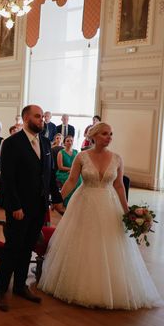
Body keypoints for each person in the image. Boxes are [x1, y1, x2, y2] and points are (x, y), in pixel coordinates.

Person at [38, 122, 162, 309]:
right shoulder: (82, 156)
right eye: (104, 133)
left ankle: (111, 288)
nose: (109, 137)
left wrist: (127, 210)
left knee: (110, 244)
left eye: (111, 134)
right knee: (84, 242)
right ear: (93, 136)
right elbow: (72, 181)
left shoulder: (117, 159)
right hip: (84, 201)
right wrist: (56, 201)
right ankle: (79, 283)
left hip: (109, 204)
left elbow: (119, 186)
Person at [0, 104, 64, 312]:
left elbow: (49, 175)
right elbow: (7, 178)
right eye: (37, 116)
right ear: (26, 119)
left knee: (27, 248)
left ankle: (19, 286)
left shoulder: (44, 142)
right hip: (19, 207)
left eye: (42, 116)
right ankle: (0, 291)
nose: (41, 120)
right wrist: (15, 205)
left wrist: (57, 199)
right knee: (12, 248)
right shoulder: (12, 143)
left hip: (39, 205)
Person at [55, 136, 81, 206]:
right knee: (70, 180)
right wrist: (71, 169)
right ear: (64, 143)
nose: (70, 142)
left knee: (80, 180)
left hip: (74, 172)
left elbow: (79, 165)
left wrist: (74, 170)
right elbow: (60, 167)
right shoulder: (61, 152)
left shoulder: (76, 152)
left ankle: (77, 201)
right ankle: (67, 202)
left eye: (71, 141)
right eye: (67, 141)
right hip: (63, 173)